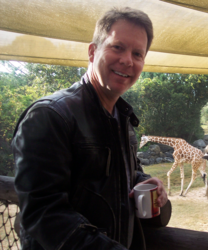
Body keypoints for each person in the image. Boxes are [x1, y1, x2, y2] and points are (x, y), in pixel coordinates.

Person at [12, 7, 168, 250]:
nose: (127, 60)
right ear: (92, 51)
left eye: (137, 53)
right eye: (117, 47)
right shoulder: (49, 117)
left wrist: (147, 181)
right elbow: (44, 215)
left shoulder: (122, 119)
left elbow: (123, 176)